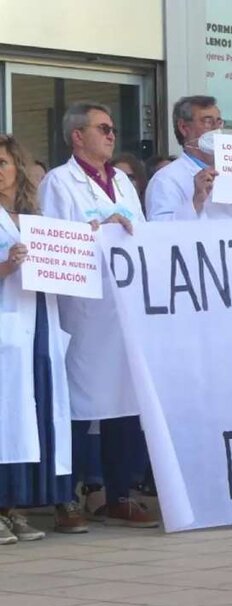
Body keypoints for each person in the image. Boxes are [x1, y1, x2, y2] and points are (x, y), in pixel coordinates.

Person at [38, 101, 158, 528]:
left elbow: (142, 234)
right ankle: (67, 499)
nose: (111, 135)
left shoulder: (123, 183)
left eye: (111, 129)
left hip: (123, 307)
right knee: (77, 404)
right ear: (77, 136)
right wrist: (95, 230)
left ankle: (119, 493)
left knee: (126, 400)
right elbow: (54, 242)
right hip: (83, 311)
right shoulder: (59, 182)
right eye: (103, 128)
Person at [0, 134, 83, 540]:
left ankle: (14, 507)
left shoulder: (35, 218)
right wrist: (6, 266)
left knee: (30, 416)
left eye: (1, 162)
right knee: (5, 419)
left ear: (17, 167)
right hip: (7, 330)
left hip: (37, 327)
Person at [145, 95, 232, 221]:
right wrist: (196, 202)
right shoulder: (166, 180)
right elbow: (161, 234)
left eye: (219, 122)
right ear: (184, 128)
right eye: (208, 122)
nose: (216, 129)